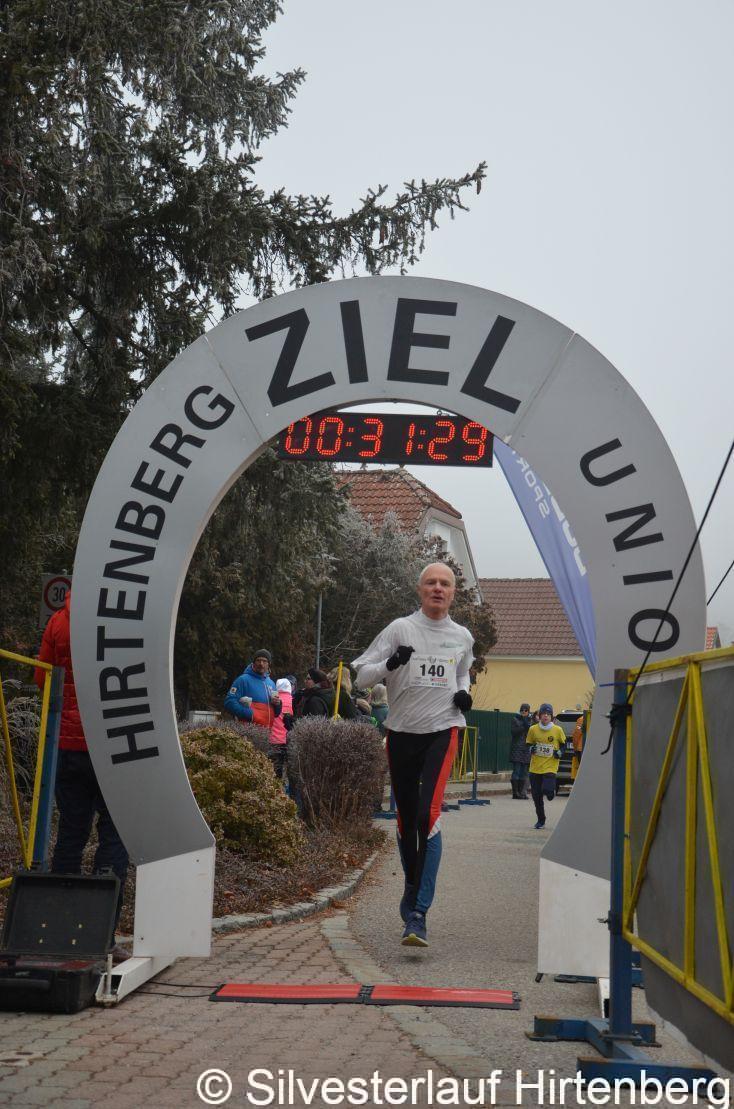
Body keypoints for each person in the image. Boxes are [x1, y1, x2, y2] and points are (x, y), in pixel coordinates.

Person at [354, 562, 474, 948]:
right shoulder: (400, 629)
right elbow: (361, 676)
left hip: (443, 729)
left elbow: (462, 673)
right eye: (431, 582)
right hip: (402, 732)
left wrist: (464, 693)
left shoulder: (462, 636)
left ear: (453, 592)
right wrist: (390, 663)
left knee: (428, 815)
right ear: (420, 589)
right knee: (406, 820)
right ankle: (411, 887)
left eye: (445, 583)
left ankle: (419, 913)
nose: (438, 588)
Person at [34, 592, 129, 942]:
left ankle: (60, 927)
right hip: (112, 747)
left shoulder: (58, 621)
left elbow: (42, 678)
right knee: (114, 834)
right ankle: (101, 934)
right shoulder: (120, 620)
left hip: (68, 746)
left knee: (71, 835)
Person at [525, 702, 566, 830]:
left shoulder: (557, 730)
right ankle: (541, 820)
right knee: (536, 797)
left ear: (551, 716)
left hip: (550, 766)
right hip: (535, 767)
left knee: (547, 791)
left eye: (548, 714)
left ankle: (550, 791)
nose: (546, 716)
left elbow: (563, 745)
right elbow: (528, 744)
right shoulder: (533, 729)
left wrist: (560, 753)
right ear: (539, 715)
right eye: (543, 714)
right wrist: (531, 749)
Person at [224, 649, 281, 728]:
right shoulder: (243, 680)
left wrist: (278, 704)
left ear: (269, 664)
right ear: (253, 663)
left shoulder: (271, 683)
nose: (261, 664)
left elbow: (276, 713)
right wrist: (250, 714)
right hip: (248, 731)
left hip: (267, 732)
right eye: (258, 660)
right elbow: (229, 702)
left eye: (264, 661)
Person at [268, 678, 294, 779]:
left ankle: (277, 786)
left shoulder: (273, 700)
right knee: (290, 770)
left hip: (274, 739)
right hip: (289, 739)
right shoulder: (294, 700)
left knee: (275, 769)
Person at [509, 702, 532, 799]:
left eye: (526, 710)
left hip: (526, 749)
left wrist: (525, 721)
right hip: (517, 748)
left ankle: (521, 792)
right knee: (516, 771)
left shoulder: (530, 720)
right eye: (522, 710)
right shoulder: (515, 719)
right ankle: (515, 793)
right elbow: (514, 732)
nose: (524, 711)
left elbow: (530, 730)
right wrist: (523, 724)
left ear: (528, 711)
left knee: (524, 772)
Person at [571, 713, 584, 781]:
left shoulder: (582, 719)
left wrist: (575, 748)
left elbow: (577, 734)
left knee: (582, 770)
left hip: (581, 748)